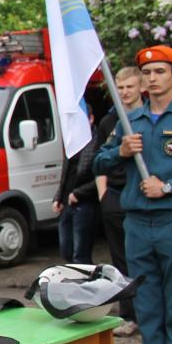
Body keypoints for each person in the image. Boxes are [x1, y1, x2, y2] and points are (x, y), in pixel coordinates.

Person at [93, 45, 172, 344]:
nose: (154, 78)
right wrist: (122, 151)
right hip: (138, 225)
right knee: (148, 312)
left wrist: (169, 186)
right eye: (149, 72)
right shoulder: (130, 121)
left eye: (161, 70)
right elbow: (98, 161)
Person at [96, 66, 143, 337]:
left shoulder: (152, 118)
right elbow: (98, 161)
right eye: (120, 87)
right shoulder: (109, 122)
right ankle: (129, 316)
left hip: (143, 198)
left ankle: (151, 315)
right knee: (121, 262)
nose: (124, 92)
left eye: (129, 87)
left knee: (147, 261)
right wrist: (103, 196)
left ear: (141, 88)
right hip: (115, 198)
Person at [53, 113, 99, 264]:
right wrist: (58, 197)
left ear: (91, 118)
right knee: (66, 249)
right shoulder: (71, 140)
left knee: (81, 254)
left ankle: (84, 285)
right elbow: (65, 173)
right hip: (67, 203)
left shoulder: (97, 141)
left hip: (85, 203)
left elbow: (100, 177)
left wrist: (79, 193)